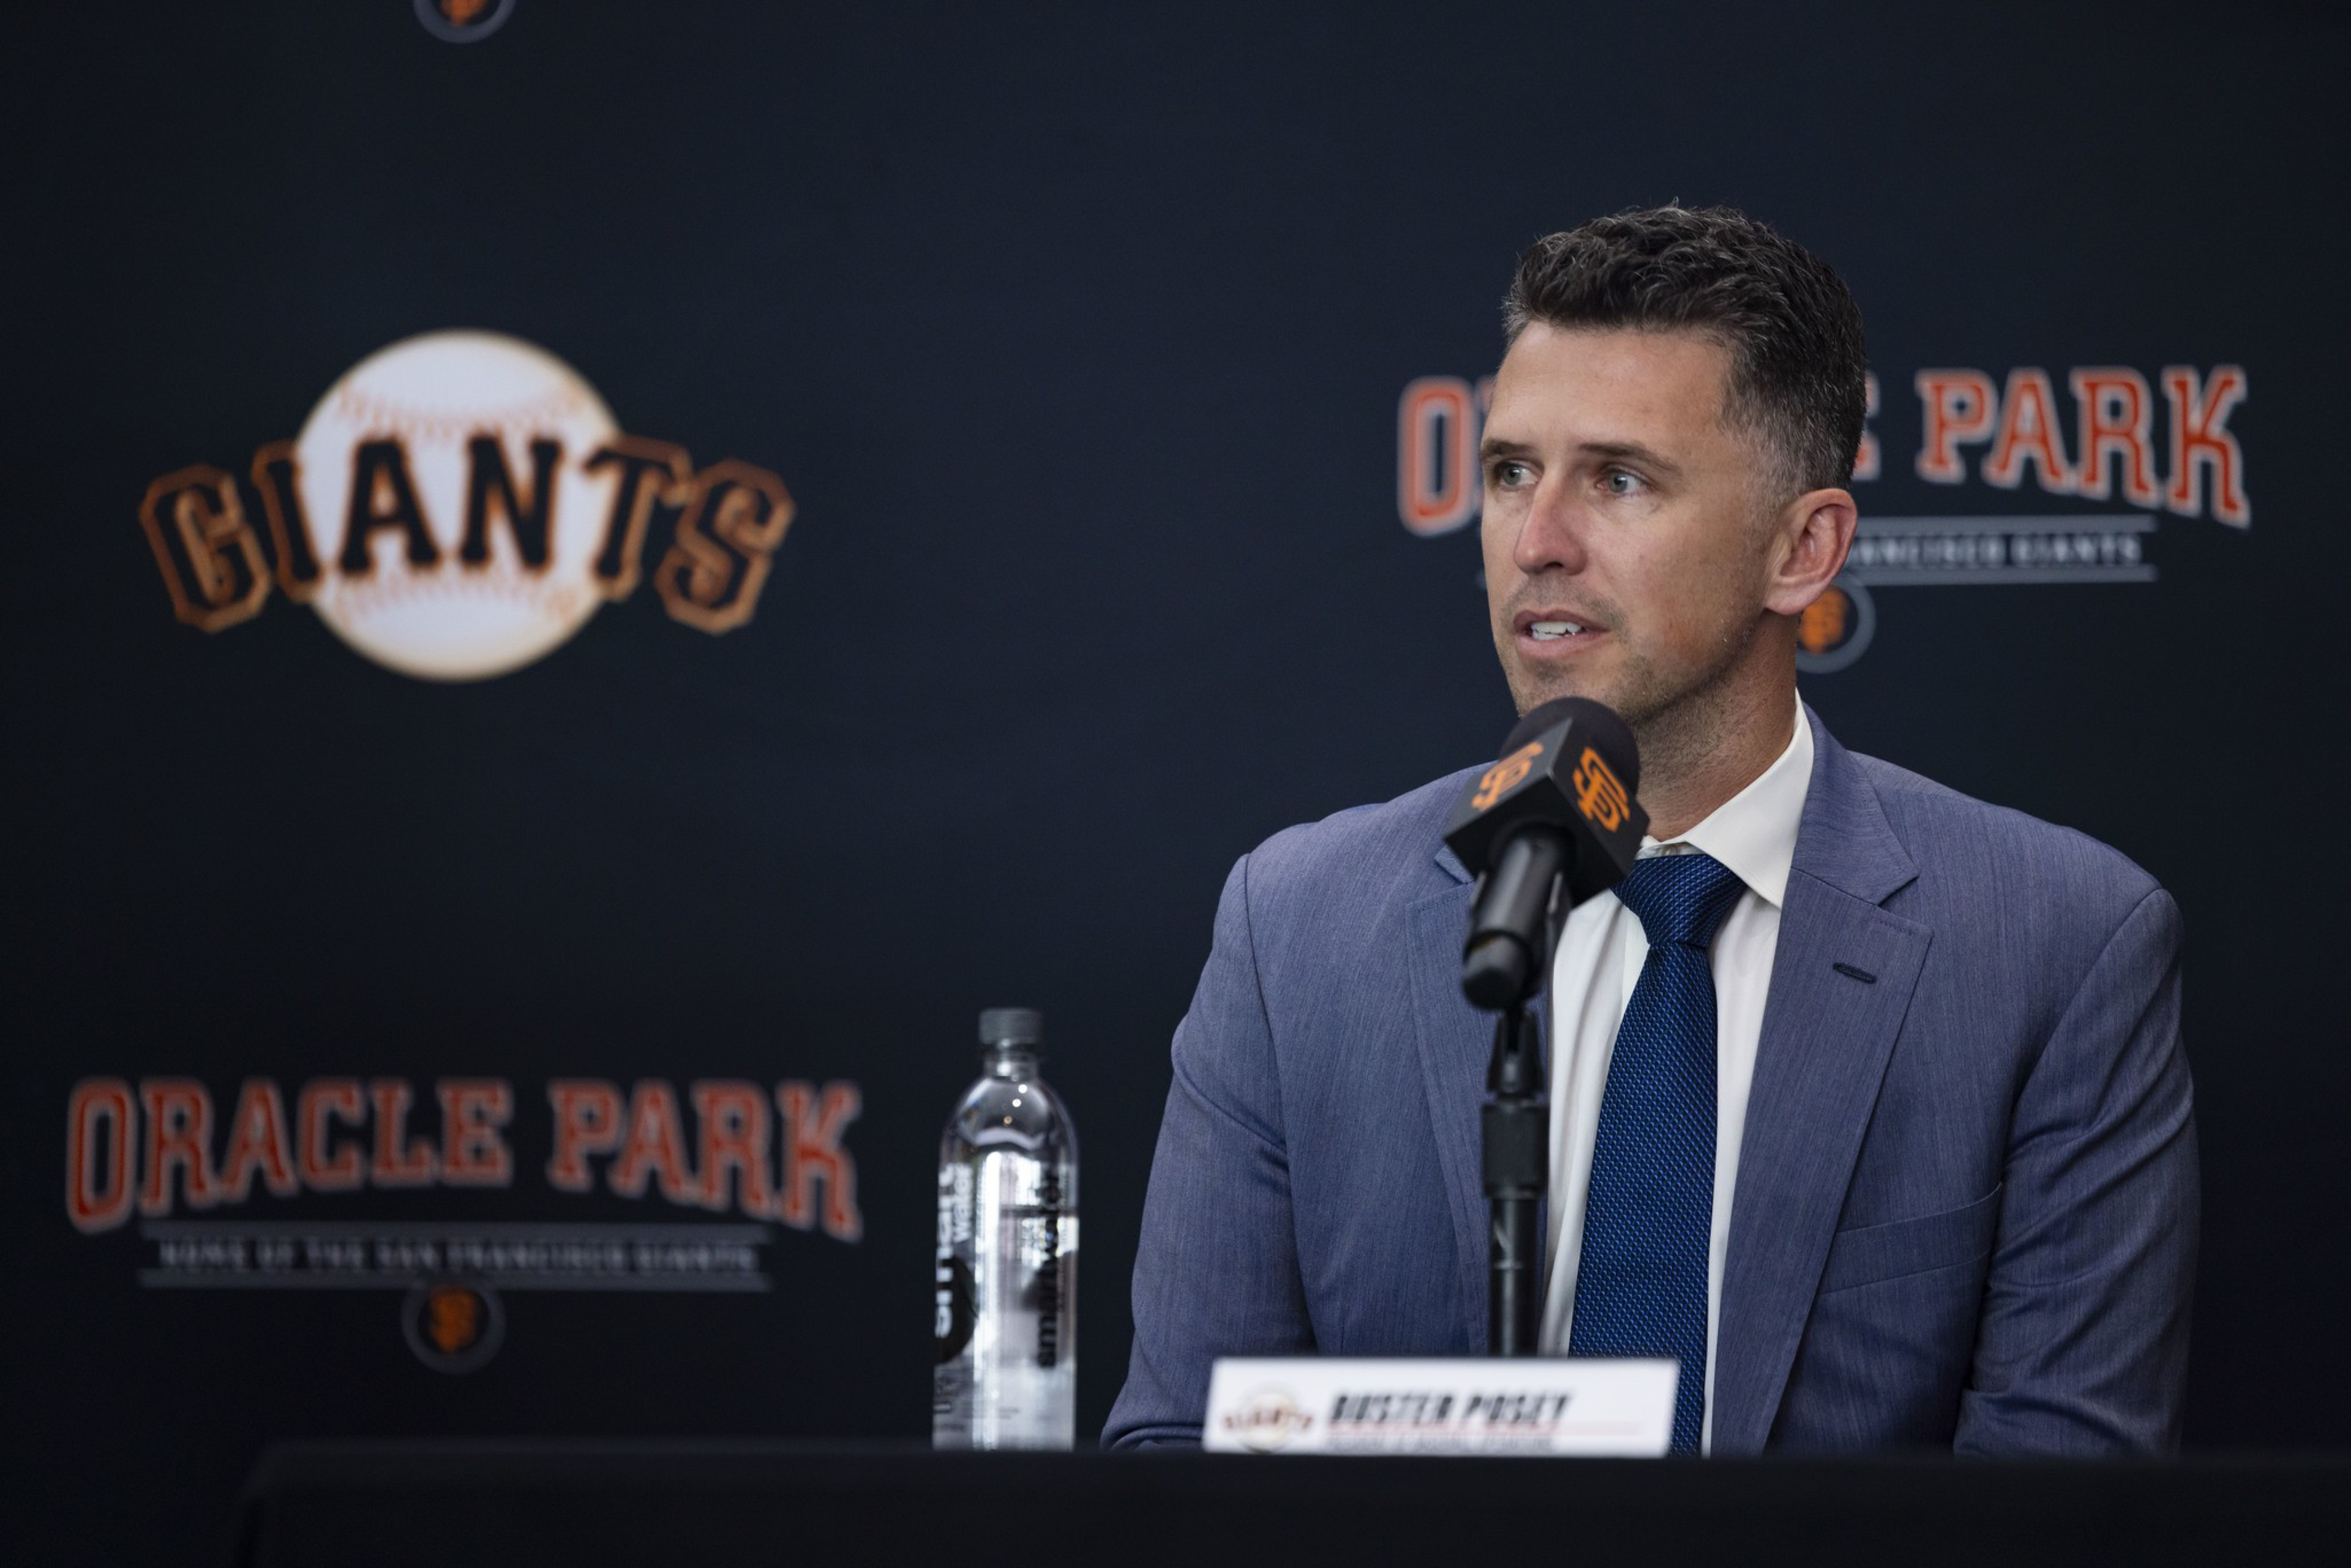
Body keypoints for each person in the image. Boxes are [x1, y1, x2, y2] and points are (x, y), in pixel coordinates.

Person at [1104, 205, 2196, 1455]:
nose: (1538, 541)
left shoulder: (2059, 944)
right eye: (1511, 471)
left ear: (1804, 547)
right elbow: (1176, 1456)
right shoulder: (1295, 925)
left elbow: (2060, 1505)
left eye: (1618, 480)